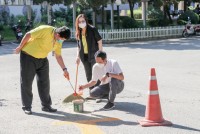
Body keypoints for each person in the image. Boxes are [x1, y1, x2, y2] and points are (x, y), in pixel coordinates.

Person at [14, 25, 71, 115]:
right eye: (61, 38)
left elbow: (58, 55)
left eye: (63, 39)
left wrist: (64, 69)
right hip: (28, 56)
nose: (61, 41)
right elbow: (28, 34)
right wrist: (20, 47)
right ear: (57, 33)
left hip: (43, 58)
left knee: (45, 83)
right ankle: (27, 106)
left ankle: (46, 106)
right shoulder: (45, 30)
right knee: (27, 82)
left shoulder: (59, 40)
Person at [75, 14, 103, 98]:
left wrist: (100, 54)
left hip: (94, 55)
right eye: (79, 22)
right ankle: (92, 93)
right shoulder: (78, 32)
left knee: (96, 75)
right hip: (84, 56)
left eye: (83, 21)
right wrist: (77, 57)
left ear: (86, 21)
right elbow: (79, 46)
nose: (81, 23)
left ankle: (98, 93)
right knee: (88, 75)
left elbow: (100, 41)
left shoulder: (92, 29)